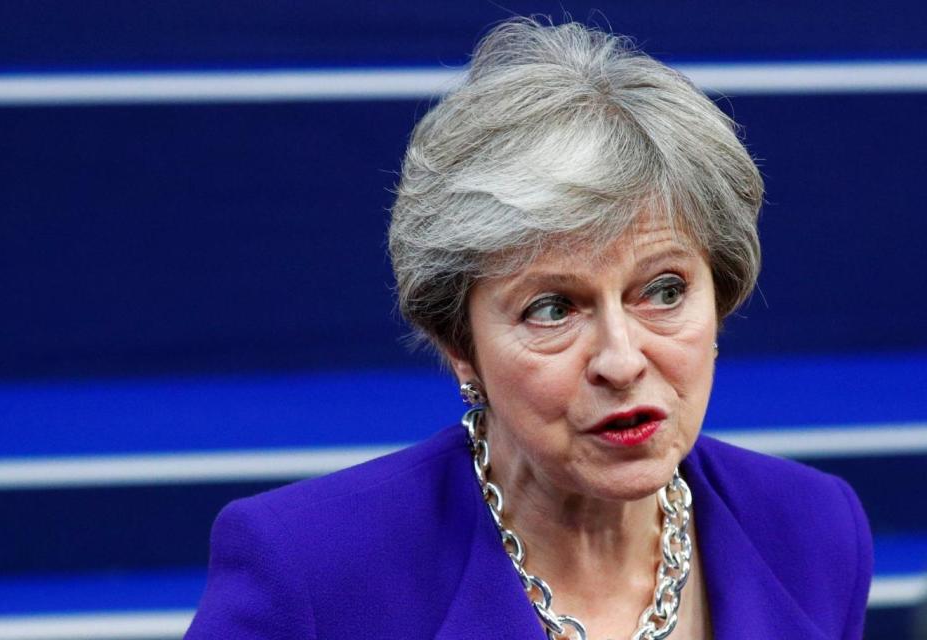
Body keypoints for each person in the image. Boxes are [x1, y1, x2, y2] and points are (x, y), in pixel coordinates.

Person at [186, 18, 872, 639]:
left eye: (663, 290)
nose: (621, 359)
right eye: (553, 308)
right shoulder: (310, 573)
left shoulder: (816, 533)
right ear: (460, 345)